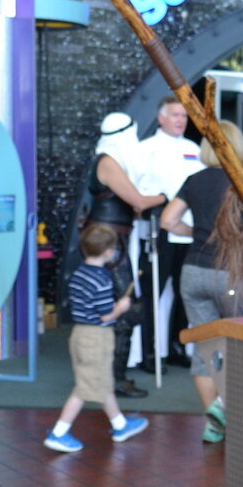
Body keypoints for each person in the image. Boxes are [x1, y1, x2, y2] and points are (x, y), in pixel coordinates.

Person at [160, 120, 243, 443]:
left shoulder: (194, 179)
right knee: (241, 345)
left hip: (194, 272)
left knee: (205, 348)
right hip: (233, 272)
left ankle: (214, 422)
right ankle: (228, 410)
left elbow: (167, 220)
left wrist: (195, 234)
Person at [45, 223, 150, 454]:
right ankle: (59, 432)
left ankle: (120, 425)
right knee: (85, 388)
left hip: (80, 334)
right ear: (108, 252)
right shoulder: (102, 279)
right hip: (97, 337)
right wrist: (121, 307)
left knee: (100, 382)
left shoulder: (78, 274)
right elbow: (105, 313)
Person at [84, 112, 166, 398]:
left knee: (120, 307)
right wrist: (166, 195)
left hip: (112, 240)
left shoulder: (109, 160)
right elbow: (139, 203)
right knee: (125, 308)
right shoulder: (108, 162)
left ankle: (111, 377)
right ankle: (114, 379)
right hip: (109, 243)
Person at [134, 95, 205, 366]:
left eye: (184, 116)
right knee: (153, 291)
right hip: (158, 229)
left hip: (188, 230)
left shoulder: (193, 148)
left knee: (183, 290)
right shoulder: (146, 149)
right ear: (161, 117)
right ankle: (150, 353)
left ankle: (176, 346)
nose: (181, 121)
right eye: (175, 115)